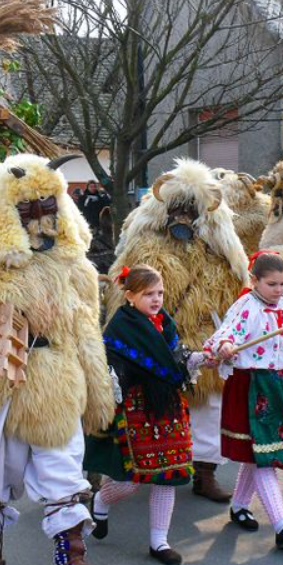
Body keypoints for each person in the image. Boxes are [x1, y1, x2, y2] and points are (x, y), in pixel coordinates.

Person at [0, 153, 114, 565]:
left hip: (57, 386)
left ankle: (71, 554)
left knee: (63, 476)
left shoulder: (72, 265)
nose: (41, 218)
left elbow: (85, 330)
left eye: (49, 206)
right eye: (30, 208)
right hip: (0, 387)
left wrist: (98, 389)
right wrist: (0, 336)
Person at [107, 159, 250, 505]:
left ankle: (204, 472)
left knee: (207, 408)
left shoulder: (217, 250)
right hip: (154, 341)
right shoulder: (146, 245)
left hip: (201, 337)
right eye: (177, 208)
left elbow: (233, 290)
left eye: (191, 208)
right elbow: (127, 292)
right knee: (146, 405)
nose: (183, 215)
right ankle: (137, 467)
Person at [86, 265, 208, 565]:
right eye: (148, 294)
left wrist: (199, 359)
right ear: (129, 296)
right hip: (136, 410)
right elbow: (113, 369)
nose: (156, 299)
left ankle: (159, 541)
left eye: (160, 293)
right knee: (130, 482)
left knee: (168, 476)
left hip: (168, 408)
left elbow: (175, 358)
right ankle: (101, 500)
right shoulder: (120, 327)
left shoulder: (164, 322)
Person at [205, 251, 283, 549]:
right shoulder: (246, 306)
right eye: (272, 284)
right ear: (254, 281)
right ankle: (282, 525)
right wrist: (225, 345)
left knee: (261, 452)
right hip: (252, 385)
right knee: (264, 457)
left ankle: (239, 506)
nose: (279, 291)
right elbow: (226, 332)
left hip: (280, 384)